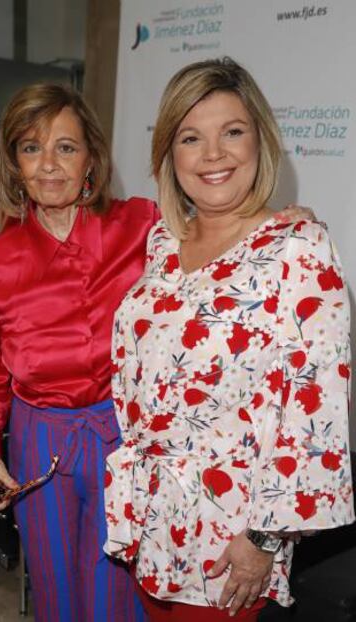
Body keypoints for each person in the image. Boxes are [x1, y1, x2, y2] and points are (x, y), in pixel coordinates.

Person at [103, 58, 354, 621]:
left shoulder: (299, 248)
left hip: (231, 543)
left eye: (232, 132)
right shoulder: (163, 243)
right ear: (170, 155)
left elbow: (316, 410)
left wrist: (263, 541)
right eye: (191, 138)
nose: (213, 154)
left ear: (260, 141)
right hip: (151, 522)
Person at [0, 83, 158, 622]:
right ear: (13, 162)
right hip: (39, 439)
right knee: (55, 592)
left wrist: (276, 224)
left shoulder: (143, 225)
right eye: (30, 148)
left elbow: (219, 234)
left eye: (65, 147)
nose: (48, 165)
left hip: (122, 434)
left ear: (91, 154)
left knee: (115, 593)